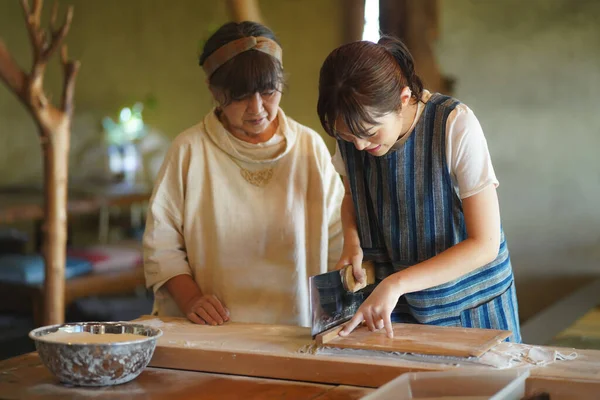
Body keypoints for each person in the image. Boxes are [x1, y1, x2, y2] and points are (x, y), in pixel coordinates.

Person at [316, 36, 521, 342]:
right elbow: (351, 193)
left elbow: (485, 244)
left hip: (472, 310)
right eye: (347, 135)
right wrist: (351, 241)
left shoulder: (454, 125)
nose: (358, 145)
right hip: (395, 308)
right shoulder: (353, 128)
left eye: (369, 134)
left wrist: (397, 283)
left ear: (403, 98)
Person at [143, 21, 344, 328]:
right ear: (213, 89)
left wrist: (333, 317)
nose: (257, 108)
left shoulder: (308, 148)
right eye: (240, 96)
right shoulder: (190, 150)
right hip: (212, 330)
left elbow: (337, 239)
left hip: (296, 326)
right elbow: (162, 243)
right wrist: (191, 299)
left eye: (268, 91)